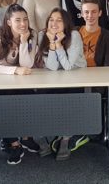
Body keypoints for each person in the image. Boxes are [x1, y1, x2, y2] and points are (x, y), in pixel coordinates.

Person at [35, 8, 87, 160]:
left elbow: (68, 66)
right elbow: (51, 67)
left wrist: (58, 45)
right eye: (51, 19)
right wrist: (52, 43)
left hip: (75, 76)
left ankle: (65, 138)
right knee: (41, 96)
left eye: (59, 20)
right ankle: (41, 135)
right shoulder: (41, 35)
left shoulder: (74, 35)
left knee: (70, 99)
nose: (54, 23)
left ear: (66, 23)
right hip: (54, 77)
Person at [0, 4, 39, 164]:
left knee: (30, 97)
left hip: (19, 81)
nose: (23, 24)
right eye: (17, 20)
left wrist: (24, 42)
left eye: (25, 19)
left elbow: (28, 64)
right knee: (4, 101)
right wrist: (14, 70)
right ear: (9, 21)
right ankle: (12, 142)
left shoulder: (31, 34)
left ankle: (26, 137)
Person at [79, 0, 109, 67]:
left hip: (98, 75)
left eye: (94, 12)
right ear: (82, 14)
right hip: (76, 74)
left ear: (100, 13)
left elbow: (108, 65)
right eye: (86, 12)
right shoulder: (74, 33)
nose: (90, 15)